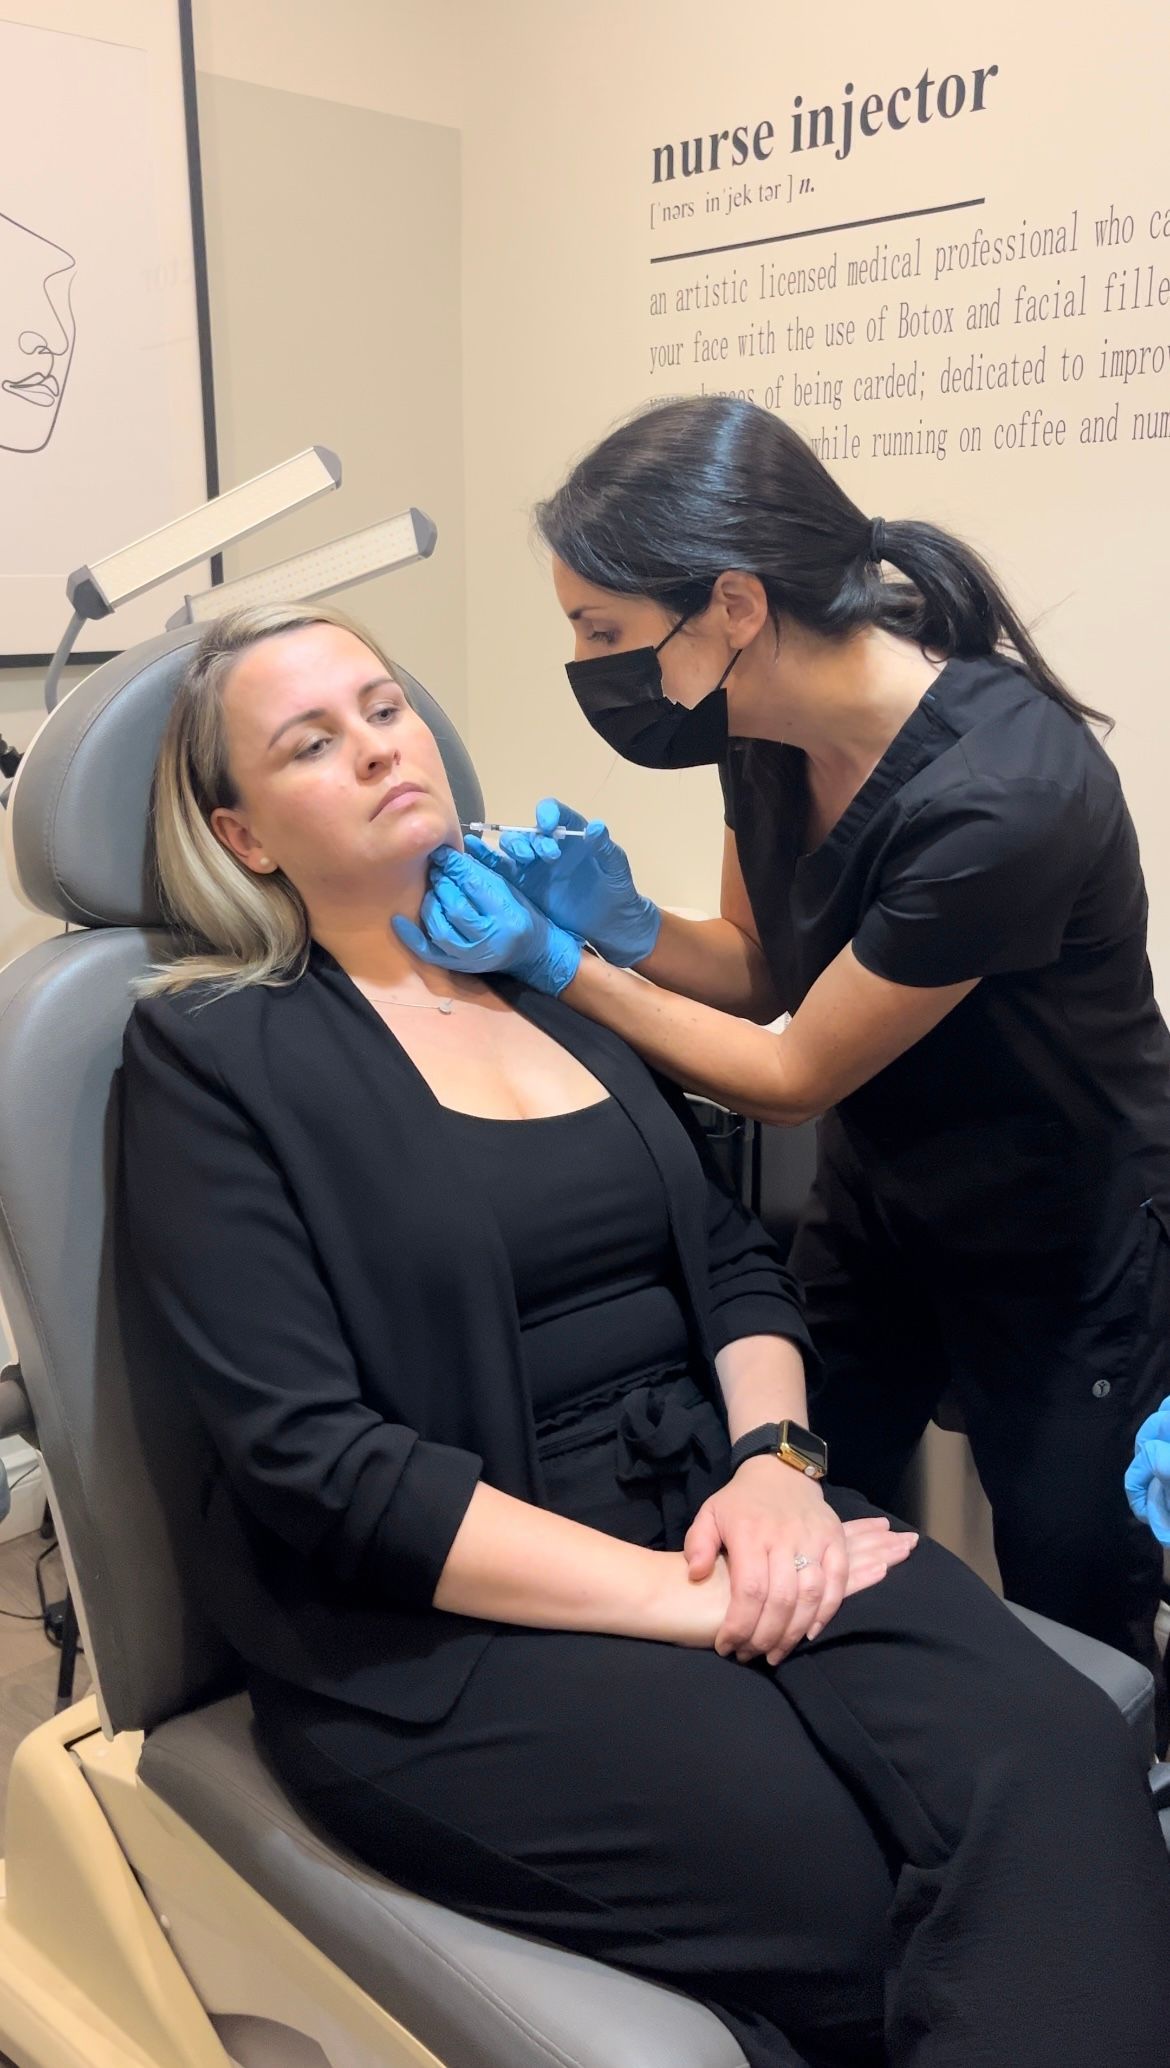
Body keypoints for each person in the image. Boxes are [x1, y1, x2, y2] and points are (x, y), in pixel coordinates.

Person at [118, 600, 1170, 2068]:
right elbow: (316, 1462)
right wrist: (674, 1601)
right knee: (865, 1889)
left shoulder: (540, 983)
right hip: (449, 1625)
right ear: (242, 839)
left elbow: (731, 1263)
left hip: (728, 1508)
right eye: (310, 743)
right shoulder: (211, 1056)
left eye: (382, 704)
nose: (375, 746)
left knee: (1061, 1758)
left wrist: (780, 1469)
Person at [400, 395, 1170, 1716]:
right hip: (885, 1204)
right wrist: (627, 921)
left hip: (1070, 1240)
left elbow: (792, 1071)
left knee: (1072, 1602)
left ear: (734, 606)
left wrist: (561, 966)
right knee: (792, 1498)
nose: (586, 663)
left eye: (602, 632)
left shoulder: (1004, 797)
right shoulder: (755, 728)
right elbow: (760, 968)